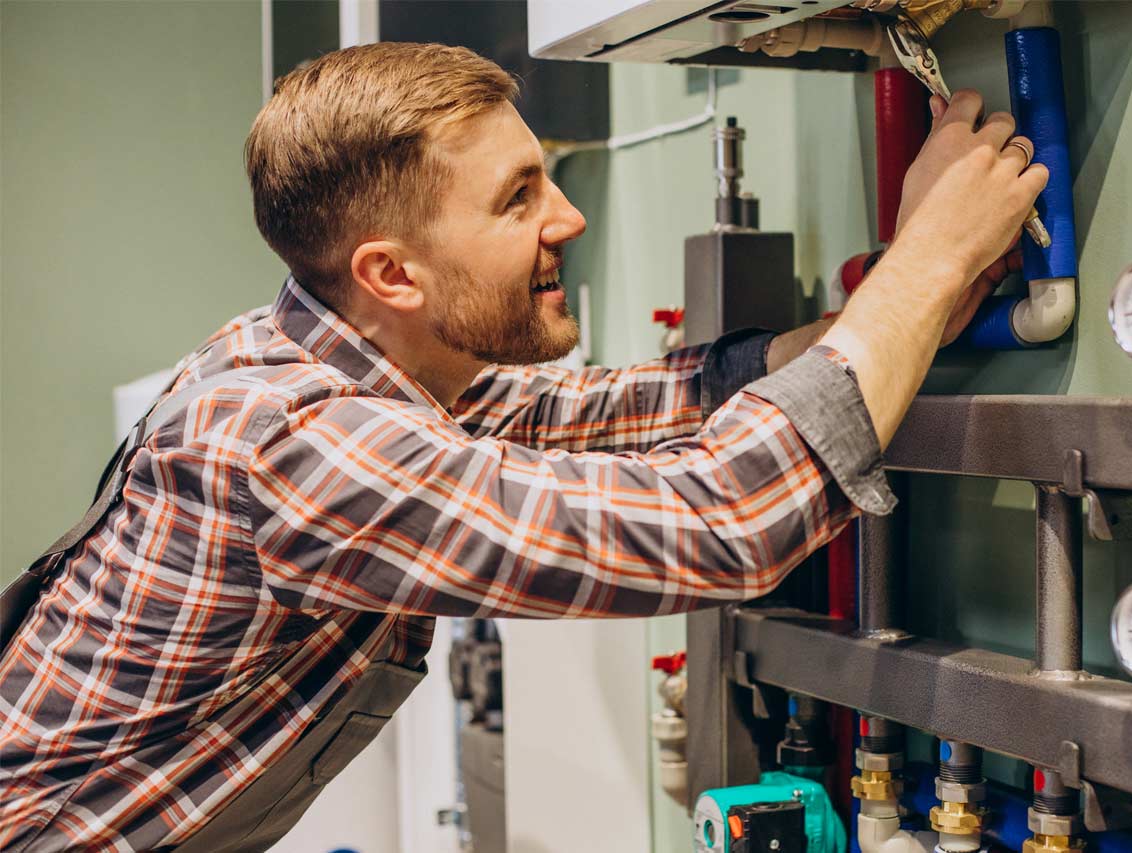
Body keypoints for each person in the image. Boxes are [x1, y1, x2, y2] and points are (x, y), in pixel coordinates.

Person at [0, 42, 1045, 851]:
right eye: (518, 198)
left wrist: (908, 307)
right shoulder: (289, 442)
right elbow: (719, 522)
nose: (570, 216)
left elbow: (644, 406)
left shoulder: (348, 361)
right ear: (392, 274)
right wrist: (926, 258)